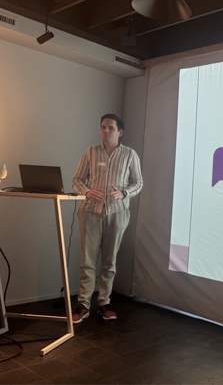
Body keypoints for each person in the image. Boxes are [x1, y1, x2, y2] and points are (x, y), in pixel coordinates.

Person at [71, 113, 142, 322]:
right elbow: (77, 179)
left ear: (120, 132)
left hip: (117, 212)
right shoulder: (90, 152)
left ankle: (104, 303)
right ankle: (83, 304)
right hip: (90, 212)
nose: (106, 131)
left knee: (109, 261)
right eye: (103, 127)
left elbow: (138, 182)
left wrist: (124, 193)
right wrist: (86, 192)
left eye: (110, 128)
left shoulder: (130, 154)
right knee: (87, 261)